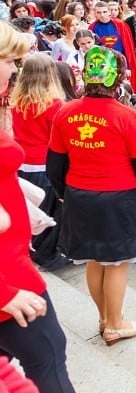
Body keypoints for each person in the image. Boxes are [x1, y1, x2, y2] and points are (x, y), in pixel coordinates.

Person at [47, 46, 136, 346]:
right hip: (118, 199)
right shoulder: (126, 116)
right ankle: (115, 323)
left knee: (93, 260)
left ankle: (104, 317)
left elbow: (55, 163)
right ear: (117, 79)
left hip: (79, 196)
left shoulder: (66, 112)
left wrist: (62, 195)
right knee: (115, 263)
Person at [0, 23, 77, 393]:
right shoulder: (53, 104)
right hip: (8, 280)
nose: (14, 69)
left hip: (12, 255)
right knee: (49, 358)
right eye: (9, 59)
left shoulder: (14, 101)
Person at [10, 54, 68, 271]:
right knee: (51, 213)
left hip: (23, 163)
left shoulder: (18, 101)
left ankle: (35, 249)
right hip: (45, 164)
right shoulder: (53, 104)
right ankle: (47, 255)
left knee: (33, 211)